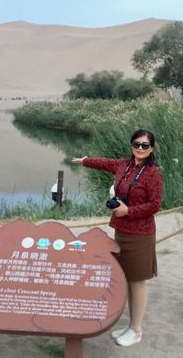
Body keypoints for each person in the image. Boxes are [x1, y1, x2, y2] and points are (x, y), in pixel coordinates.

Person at [72, 129, 163, 347]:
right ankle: (130, 326)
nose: (140, 148)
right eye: (136, 144)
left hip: (141, 233)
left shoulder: (153, 174)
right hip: (122, 230)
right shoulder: (124, 165)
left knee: (137, 280)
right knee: (128, 277)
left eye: (145, 145)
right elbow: (105, 163)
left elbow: (155, 205)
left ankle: (136, 329)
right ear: (131, 145)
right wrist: (85, 161)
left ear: (151, 148)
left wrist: (128, 211)